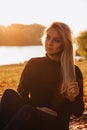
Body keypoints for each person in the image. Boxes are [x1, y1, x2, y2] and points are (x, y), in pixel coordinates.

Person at [0, 21, 84, 130]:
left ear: (64, 44)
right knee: (9, 94)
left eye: (56, 40)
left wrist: (73, 99)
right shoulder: (33, 64)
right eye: (48, 38)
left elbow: (78, 112)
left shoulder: (73, 71)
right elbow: (22, 95)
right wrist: (38, 109)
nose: (50, 43)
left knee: (28, 111)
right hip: (32, 114)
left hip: (56, 124)